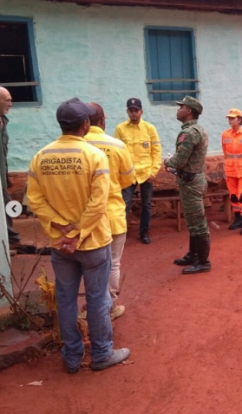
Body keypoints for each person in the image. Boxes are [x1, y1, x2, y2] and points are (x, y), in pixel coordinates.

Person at [27, 97, 130, 373]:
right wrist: (79, 232)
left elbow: (34, 200)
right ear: (86, 124)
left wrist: (61, 227)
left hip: (60, 245)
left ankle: (72, 357)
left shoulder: (41, 156)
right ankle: (101, 354)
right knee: (98, 299)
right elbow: (98, 203)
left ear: (61, 124)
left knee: (66, 298)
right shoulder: (94, 156)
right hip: (93, 242)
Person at [86, 103, 135, 320]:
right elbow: (128, 179)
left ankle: (93, 305)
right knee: (113, 263)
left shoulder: (77, 147)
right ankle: (111, 306)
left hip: (85, 219)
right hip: (113, 214)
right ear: (103, 120)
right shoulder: (117, 145)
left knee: (89, 265)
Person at [165, 96, 211, 274]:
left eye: (181, 107)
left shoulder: (189, 133)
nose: (178, 109)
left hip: (191, 183)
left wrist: (168, 161)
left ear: (189, 111)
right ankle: (193, 254)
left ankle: (203, 262)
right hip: (194, 179)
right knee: (193, 221)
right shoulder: (198, 130)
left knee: (198, 223)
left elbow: (180, 160)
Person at [115, 98, 161, 244]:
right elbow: (117, 152)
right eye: (131, 110)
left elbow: (156, 151)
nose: (133, 113)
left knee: (146, 204)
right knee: (124, 204)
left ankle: (144, 232)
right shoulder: (120, 129)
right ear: (127, 111)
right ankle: (121, 234)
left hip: (146, 173)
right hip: (128, 174)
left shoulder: (150, 129)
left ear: (141, 111)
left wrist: (153, 172)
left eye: (136, 110)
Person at [221, 108, 242, 235]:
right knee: (234, 196)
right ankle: (238, 220)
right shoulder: (225, 134)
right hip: (230, 170)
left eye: (233, 118)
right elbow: (225, 151)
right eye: (229, 118)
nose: (230, 120)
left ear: (239, 120)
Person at [0, 87, 21, 244]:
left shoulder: (3, 121)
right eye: (7, 100)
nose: (11, 104)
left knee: (7, 203)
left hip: (2, 171)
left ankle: (9, 237)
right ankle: (10, 238)